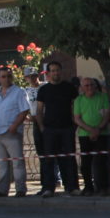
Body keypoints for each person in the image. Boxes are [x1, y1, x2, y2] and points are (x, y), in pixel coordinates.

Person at [36, 61, 80, 197]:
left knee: (69, 158)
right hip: (49, 129)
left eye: (57, 70)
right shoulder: (43, 90)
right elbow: (39, 110)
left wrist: (75, 125)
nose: (55, 73)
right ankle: (49, 188)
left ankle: (72, 187)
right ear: (48, 73)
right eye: (53, 70)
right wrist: (42, 127)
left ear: (61, 71)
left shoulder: (70, 88)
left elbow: (76, 107)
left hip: (67, 128)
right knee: (48, 160)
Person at [0, 66, 30, 198]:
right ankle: (2, 189)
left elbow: (24, 110)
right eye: (3, 76)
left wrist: (14, 126)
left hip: (11, 132)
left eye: (8, 76)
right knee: (0, 163)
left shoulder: (19, 92)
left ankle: (20, 189)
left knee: (17, 162)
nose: (6, 79)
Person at [72, 77, 110, 196]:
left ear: (95, 86)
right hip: (85, 134)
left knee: (101, 161)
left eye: (91, 85)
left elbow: (106, 115)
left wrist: (98, 129)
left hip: (102, 133)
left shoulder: (103, 97)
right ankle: (88, 187)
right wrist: (90, 130)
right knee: (86, 163)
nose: (89, 87)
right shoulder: (78, 100)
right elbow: (77, 118)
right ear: (82, 88)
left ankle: (103, 187)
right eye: (86, 86)